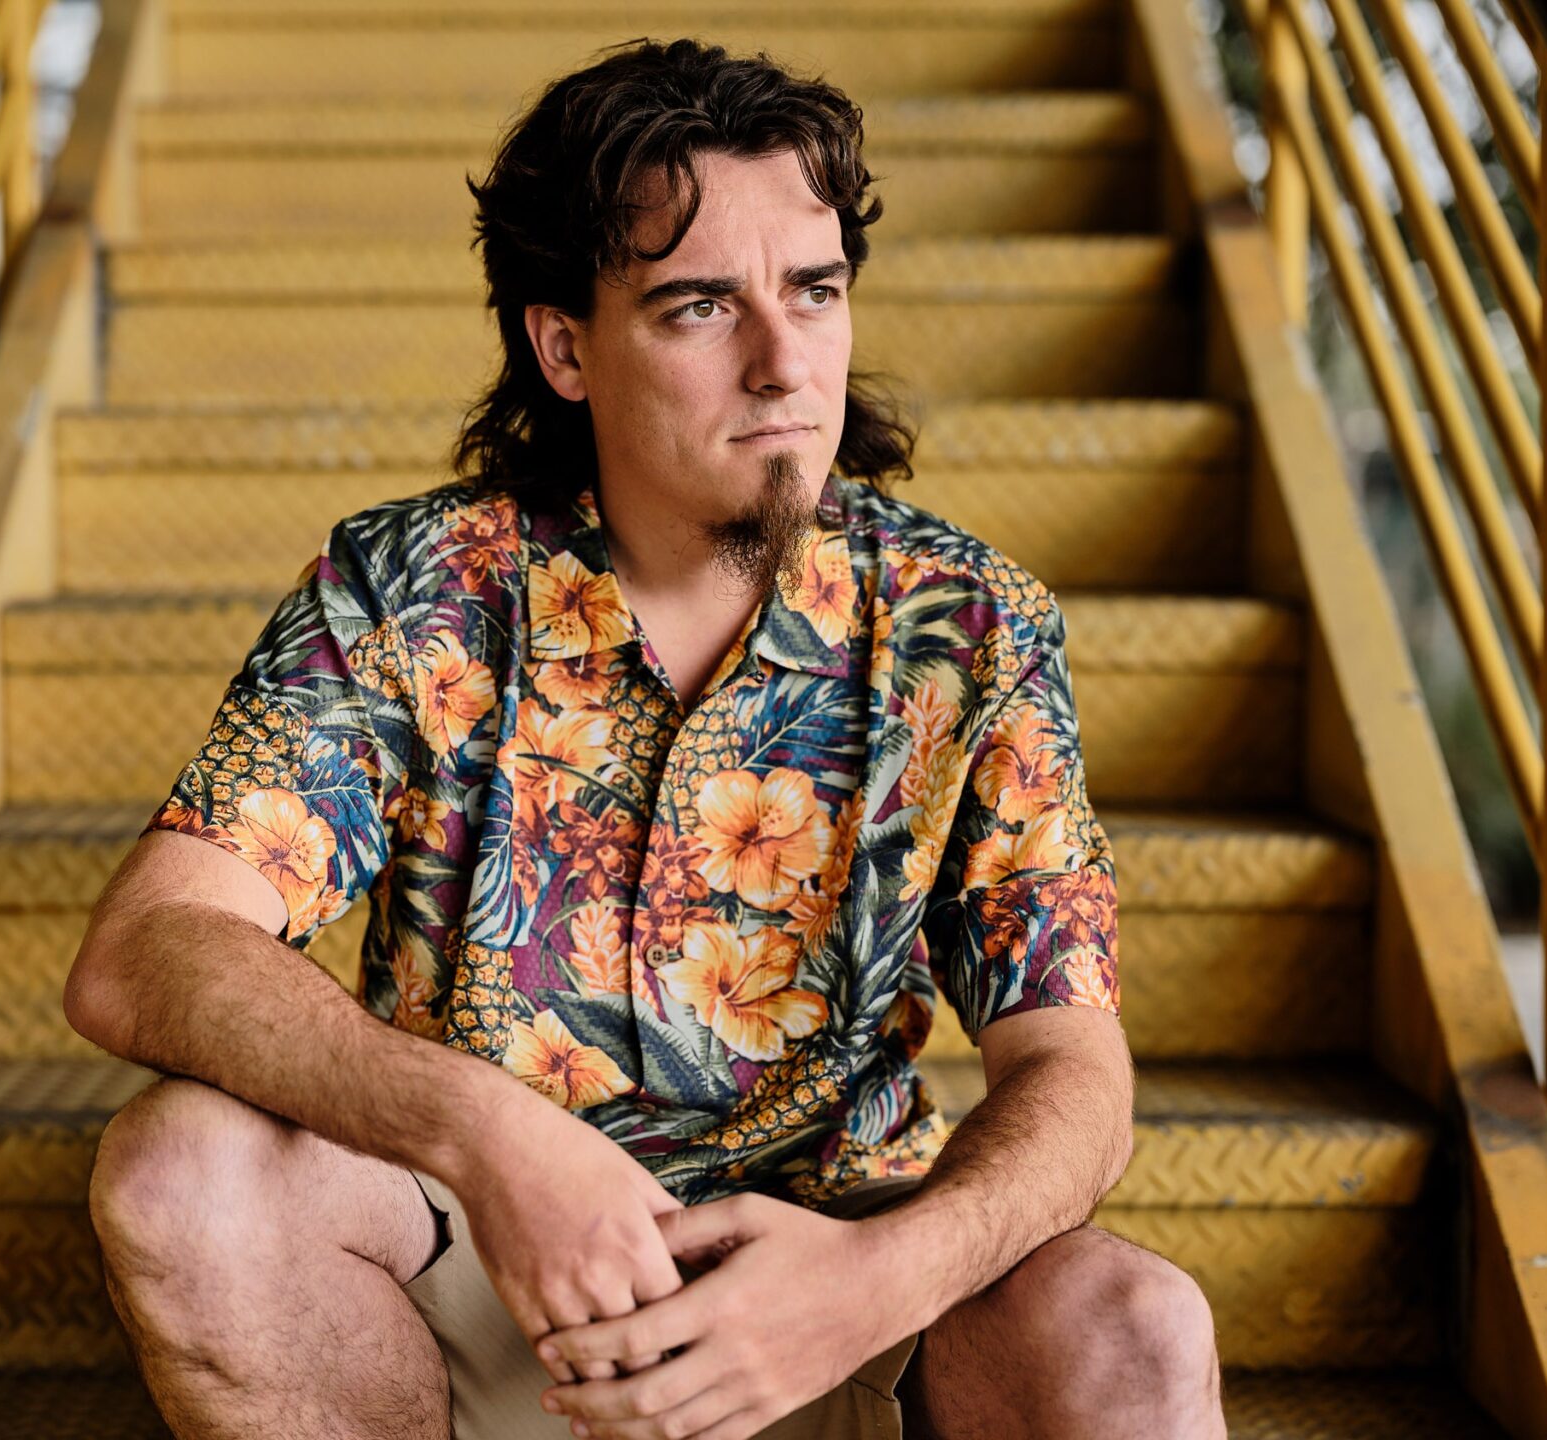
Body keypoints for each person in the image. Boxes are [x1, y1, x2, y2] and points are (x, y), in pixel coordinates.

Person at [61, 36, 1222, 1440]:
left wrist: (880, 1278)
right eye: (699, 308)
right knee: (181, 1173)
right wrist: (486, 1135)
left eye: (815, 290)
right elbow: (147, 949)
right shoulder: (421, 591)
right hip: (484, 1289)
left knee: (1136, 1324)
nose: (784, 363)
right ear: (566, 347)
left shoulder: (967, 623)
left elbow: (1077, 1077)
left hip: (830, 1301)